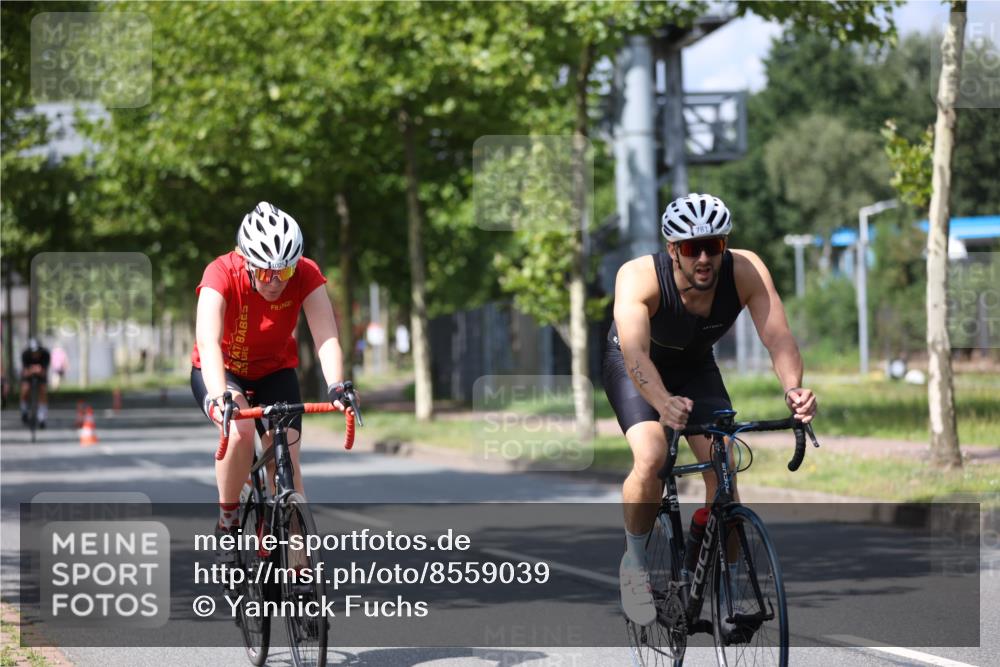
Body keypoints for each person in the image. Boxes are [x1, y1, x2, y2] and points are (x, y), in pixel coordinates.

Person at [603, 193, 817, 626]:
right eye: (690, 248)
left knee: (724, 470)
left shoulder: (746, 270)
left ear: (725, 245)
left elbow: (778, 338)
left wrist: (794, 390)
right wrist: (663, 403)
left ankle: (728, 589)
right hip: (634, 365)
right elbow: (636, 357)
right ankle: (635, 565)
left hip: (696, 368)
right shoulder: (638, 277)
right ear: (672, 250)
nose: (703, 258)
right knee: (652, 456)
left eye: (714, 246)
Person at [190, 201, 357, 549]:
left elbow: (326, 336)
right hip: (224, 371)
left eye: (285, 272)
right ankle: (229, 517)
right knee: (240, 432)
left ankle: (297, 557)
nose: (276, 282)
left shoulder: (306, 274)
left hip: (275, 371)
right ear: (246, 261)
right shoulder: (219, 273)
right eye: (266, 273)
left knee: (286, 457)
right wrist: (222, 397)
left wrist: (337, 386)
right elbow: (207, 342)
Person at [20, 338, 51, 428]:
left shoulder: (45, 354)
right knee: (25, 389)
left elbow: (43, 372)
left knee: (43, 390)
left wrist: (35, 370)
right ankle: (24, 410)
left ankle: (42, 417)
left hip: (40, 375)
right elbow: (25, 372)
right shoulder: (25, 354)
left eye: (37, 352)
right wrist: (34, 370)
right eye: (33, 352)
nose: (35, 354)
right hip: (29, 375)